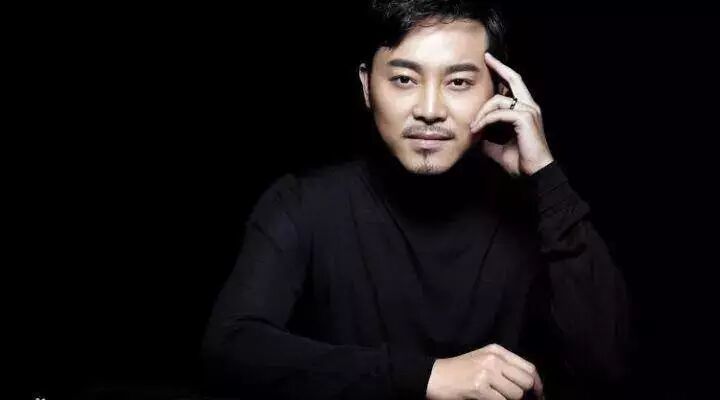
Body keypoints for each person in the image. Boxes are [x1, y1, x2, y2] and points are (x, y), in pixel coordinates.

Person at [202, 1, 632, 399]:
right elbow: (230, 349)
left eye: (458, 82)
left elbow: (606, 368)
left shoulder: (534, 212)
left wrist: (546, 177)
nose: (429, 109)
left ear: (499, 92)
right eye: (404, 79)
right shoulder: (302, 203)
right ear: (367, 86)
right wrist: (425, 376)